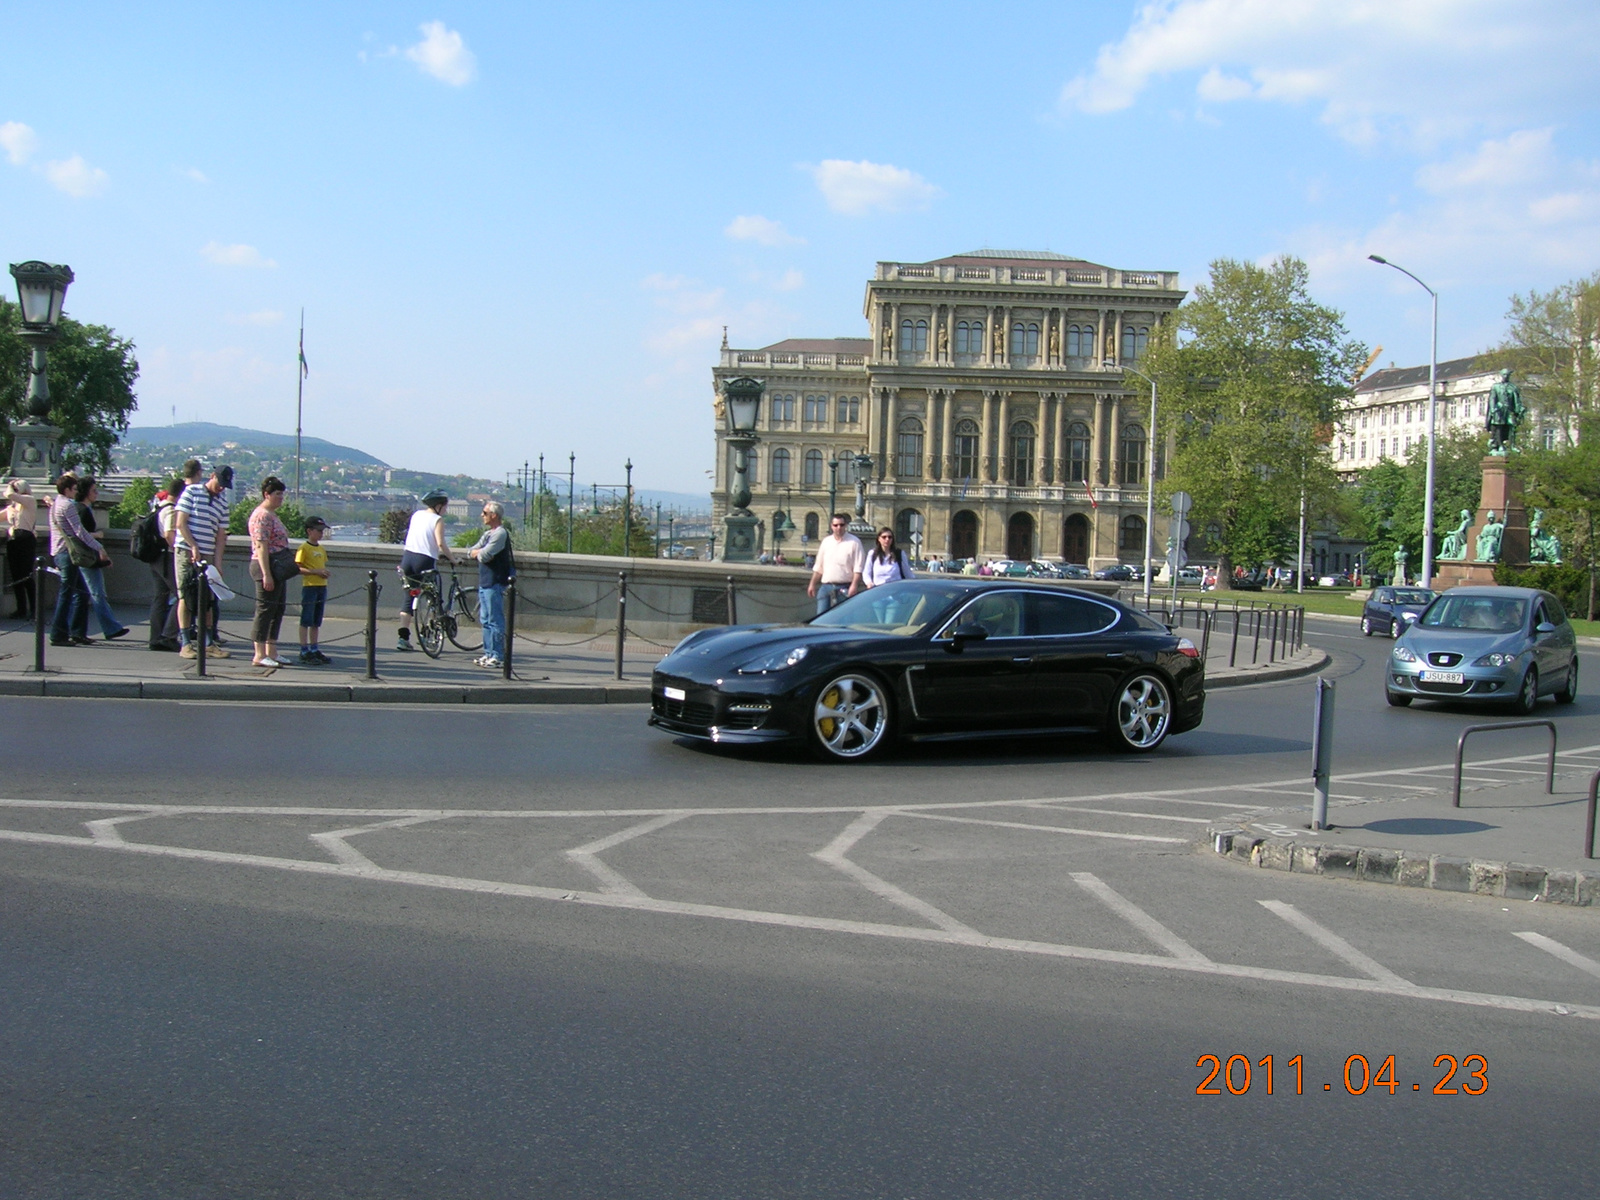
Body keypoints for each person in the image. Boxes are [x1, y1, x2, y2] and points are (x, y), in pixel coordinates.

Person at [174, 464, 234, 659]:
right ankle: (185, 643)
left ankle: (207, 642)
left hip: (207, 555)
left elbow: (221, 536)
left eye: (225, 485)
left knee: (207, 600)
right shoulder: (192, 491)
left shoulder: (222, 502)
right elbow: (181, 523)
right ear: (212, 476)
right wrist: (193, 545)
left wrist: (218, 564)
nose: (221, 488)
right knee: (185, 595)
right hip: (186, 551)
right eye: (220, 483)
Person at [70, 477, 132, 643]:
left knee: (81, 595)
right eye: (94, 491)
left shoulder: (76, 508)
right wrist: (98, 539)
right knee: (97, 593)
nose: (96, 494)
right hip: (88, 558)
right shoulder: (83, 511)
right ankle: (110, 627)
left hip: (79, 556)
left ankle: (76, 630)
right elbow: (83, 535)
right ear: (86, 493)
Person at [248, 476, 296, 667]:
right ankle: (259, 653)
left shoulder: (272, 515)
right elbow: (261, 546)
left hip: (277, 568)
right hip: (267, 566)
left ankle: (272, 651)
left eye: (282, 494)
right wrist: (266, 574)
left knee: (277, 609)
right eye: (277, 494)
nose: (280, 498)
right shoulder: (262, 516)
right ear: (266, 495)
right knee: (265, 610)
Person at [397, 490, 452, 650]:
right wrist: (454, 559)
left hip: (408, 558)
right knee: (434, 599)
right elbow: (441, 544)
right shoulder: (437, 519)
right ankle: (427, 634)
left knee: (409, 598)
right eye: (445, 507)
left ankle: (403, 638)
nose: (446, 510)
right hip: (425, 560)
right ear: (439, 506)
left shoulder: (417, 515)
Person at [47, 473, 95, 646]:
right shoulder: (67, 505)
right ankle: (59, 634)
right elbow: (79, 531)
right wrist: (99, 548)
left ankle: (76, 632)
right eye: (74, 489)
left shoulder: (55, 504)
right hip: (67, 553)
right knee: (67, 594)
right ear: (67, 490)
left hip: (59, 551)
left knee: (80, 593)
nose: (76, 492)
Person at [466, 500, 512, 669]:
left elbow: (484, 556)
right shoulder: (488, 534)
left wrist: (479, 553)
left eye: (484, 513)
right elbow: (471, 551)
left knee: (495, 620)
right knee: (485, 620)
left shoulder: (500, 534)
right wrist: (479, 552)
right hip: (485, 582)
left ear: (494, 515)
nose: (482, 516)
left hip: (495, 582)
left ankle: (497, 655)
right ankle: (488, 653)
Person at [146, 478, 183, 651]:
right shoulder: (171, 511)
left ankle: (155, 638)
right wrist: (178, 549)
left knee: (159, 598)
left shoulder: (159, 506)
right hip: (166, 557)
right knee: (182, 596)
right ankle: (169, 635)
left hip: (155, 557)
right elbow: (169, 535)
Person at [806, 513, 864, 614]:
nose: (839, 528)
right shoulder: (826, 542)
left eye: (841, 525)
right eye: (836, 525)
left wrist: (854, 586)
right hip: (826, 587)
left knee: (843, 618)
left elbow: (858, 568)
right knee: (821, 618)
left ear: (846, 525)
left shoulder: (854, 542)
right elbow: (819, 567)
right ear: (831, 526)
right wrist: (812, 584)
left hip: (845, 587)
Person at [296, 516, 331, 663]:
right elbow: (297, 567)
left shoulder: (321, 549)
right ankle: (304, 649)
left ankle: (314, 648)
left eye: (322, 531)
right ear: (309, 531)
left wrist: (324, 572)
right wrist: (315, 572)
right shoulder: (304, 548)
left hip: (321, 586)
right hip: (309, 586)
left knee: (316, 621)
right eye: (318, 531)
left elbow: (322, 565)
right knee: (306, 619)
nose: (321, 534)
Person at [3, 480, 38, 619]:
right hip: (14, 540)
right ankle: (21, 608)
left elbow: (9, 494)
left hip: (26, 539)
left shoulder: (29, 500)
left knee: (26, 574)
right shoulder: (13, 507)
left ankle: (34, 609)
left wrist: (11, 486)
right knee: (16, 576)